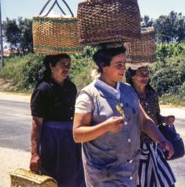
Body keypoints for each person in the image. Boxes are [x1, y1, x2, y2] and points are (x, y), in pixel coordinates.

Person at [73, 45, 174, 187]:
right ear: (104, 66)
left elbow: (144, 121)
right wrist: (105, 126)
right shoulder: (89, 95)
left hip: (129, 172)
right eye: (118, 65)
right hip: (103, 175)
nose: (124, 69)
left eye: (124, 64)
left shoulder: (128, 91)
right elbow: (77, 134)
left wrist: (162, 139)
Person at [30, 54, 85, 187]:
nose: (67, 68)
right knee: (52, 178)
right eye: (63, 64)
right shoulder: (43, 89)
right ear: (51, 66)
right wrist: (35, 153)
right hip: (51, 141)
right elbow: (37, 124)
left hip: (70, 141)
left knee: (73, 175)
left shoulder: (71, 87)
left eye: (68, 64)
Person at [126, 66, 176, 187]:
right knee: (142, 180)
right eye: (141, 73)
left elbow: (155, 116)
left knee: (164, 179)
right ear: (132, 77)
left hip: (154, 144)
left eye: (146, 73)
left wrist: (164, 119)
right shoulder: (128, 95)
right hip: (137, 145)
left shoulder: (152, 94)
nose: (145, 77)